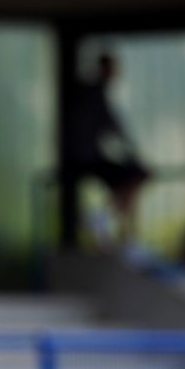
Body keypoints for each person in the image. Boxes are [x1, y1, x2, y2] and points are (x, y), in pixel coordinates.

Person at [65, 52, 151, 248]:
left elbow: (111, 127)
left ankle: (119, 233)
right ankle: (114, 228)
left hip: (89, 156)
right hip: (85, 158)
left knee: (132, 180)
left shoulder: (93, 92)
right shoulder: (93, 93)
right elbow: (112, 125)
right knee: (137, 174)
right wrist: (132, 151)